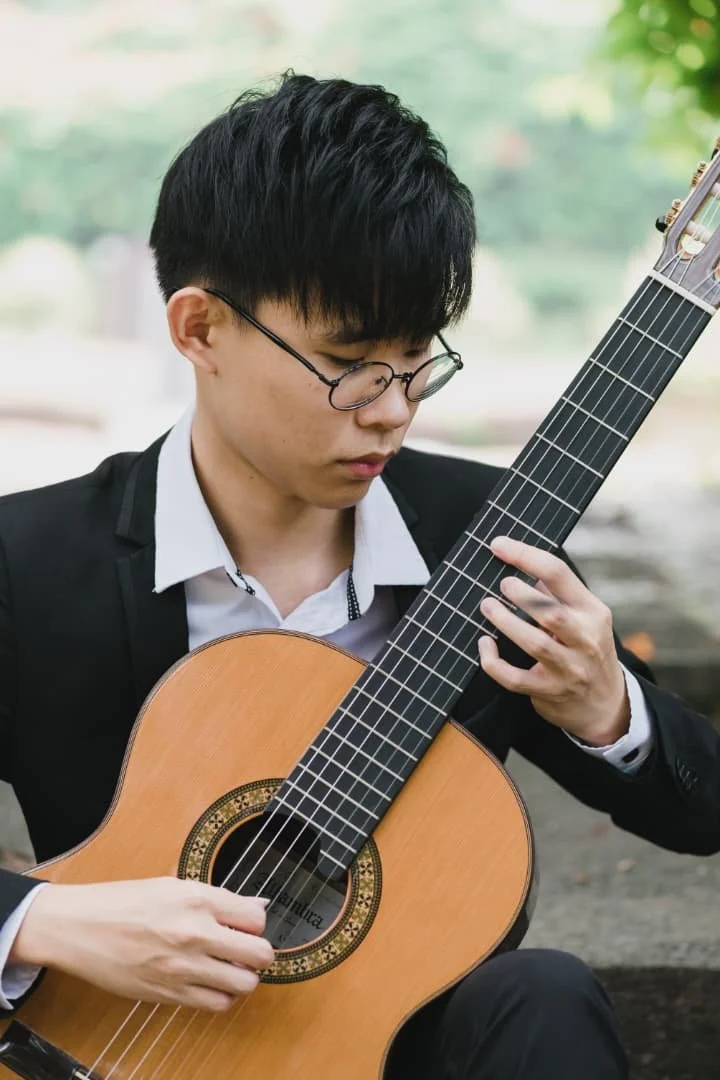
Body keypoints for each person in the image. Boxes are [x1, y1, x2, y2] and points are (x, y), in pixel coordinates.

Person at [0, 72, 718, 1080]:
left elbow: (703, 809)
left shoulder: (483, 533)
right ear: (200, 330)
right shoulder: (29, 563)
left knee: (542, 995)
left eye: (416, 360)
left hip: (382, 1055)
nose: (390, 408)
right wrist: (48, 921)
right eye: (347, 362)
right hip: (104, 1053)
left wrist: (609, 712)